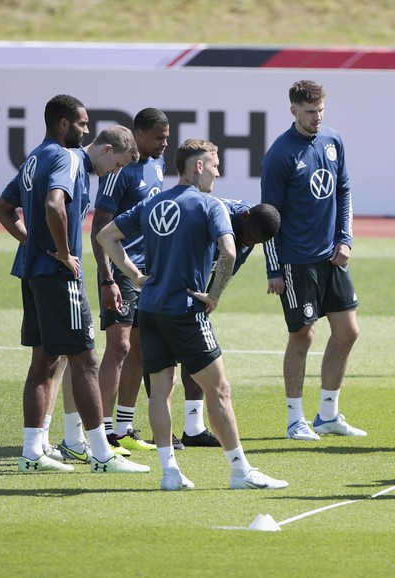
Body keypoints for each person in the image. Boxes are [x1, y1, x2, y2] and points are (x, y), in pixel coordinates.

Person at [97, 139, 287, 491]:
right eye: (215, 164)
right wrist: (213, 296)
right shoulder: (210, 206)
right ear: (198, 166)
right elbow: (229, 252)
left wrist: (136, 275)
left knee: (160, 392)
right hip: (185, 312)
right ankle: (240, 471)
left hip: (149, 307)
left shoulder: (153, 203)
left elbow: (106, 235)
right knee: (220, 389)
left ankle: (170, 473)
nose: (218, 171)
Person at [0, 94, 149, 474]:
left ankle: (32, 453)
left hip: (32, 271)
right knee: (87, 360)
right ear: (64, 124)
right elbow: (53, 204)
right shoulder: (68, 158)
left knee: (45, 360)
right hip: (58, 275)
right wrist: (62, 252)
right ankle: (99, 453)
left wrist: (35, 245)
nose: (85, 129)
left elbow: (1, 208)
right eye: (81, 123)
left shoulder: (36, 156)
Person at [260, 80, 365, 440]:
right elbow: (266, 218)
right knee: (303, 336)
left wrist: (345, 240)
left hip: (332, 257)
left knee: (348, 332)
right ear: (293, 111)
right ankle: (294, 420)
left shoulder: (333, 141)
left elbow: (344, 190)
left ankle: (328, 414)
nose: (316, 118)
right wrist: (273, 268)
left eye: (320, 110)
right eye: (309, 112)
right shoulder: (280, 155)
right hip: (295, 261)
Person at [90, 107, 169, 455]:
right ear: (138, 134)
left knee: (139, 349)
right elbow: (99, 228)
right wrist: (106, 277)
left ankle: (123, 428)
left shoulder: (158, 165)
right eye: (158, 137)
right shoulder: (117, 171)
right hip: (120, 270)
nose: (164, 144)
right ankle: (103, 431)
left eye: (167, 137)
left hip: (147, 273)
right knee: (119, 347)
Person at [178, 200, 283, 429]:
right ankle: (127, 428)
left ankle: (193, 429)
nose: (249, 242)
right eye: (250, 237)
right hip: (170, 278)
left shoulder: (250, 231)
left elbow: (226, 271)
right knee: (161, 359)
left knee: (197, 352)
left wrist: (211, 297)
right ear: (245, 216)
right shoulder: (216, 215)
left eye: (256, 242)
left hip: (196, 284)